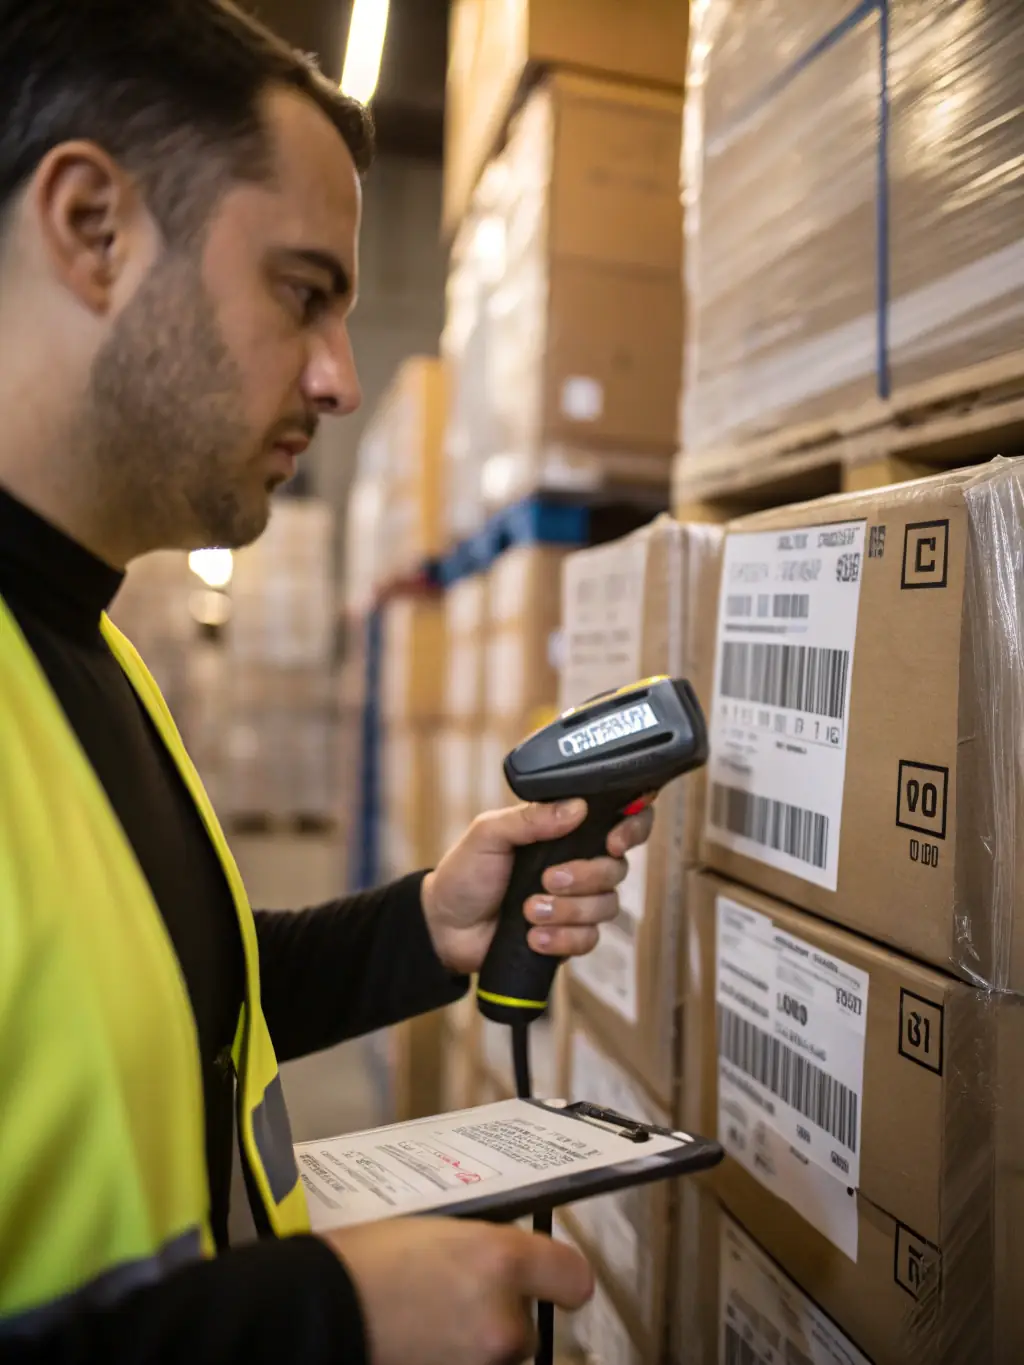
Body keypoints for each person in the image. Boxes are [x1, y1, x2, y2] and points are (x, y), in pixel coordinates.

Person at [0, 3, 656, 1363]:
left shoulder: (84, 646)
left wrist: (429, 923)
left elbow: (183, 999)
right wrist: (326, 1318)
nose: (341, 379)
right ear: (90, 229)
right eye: (304, 292)